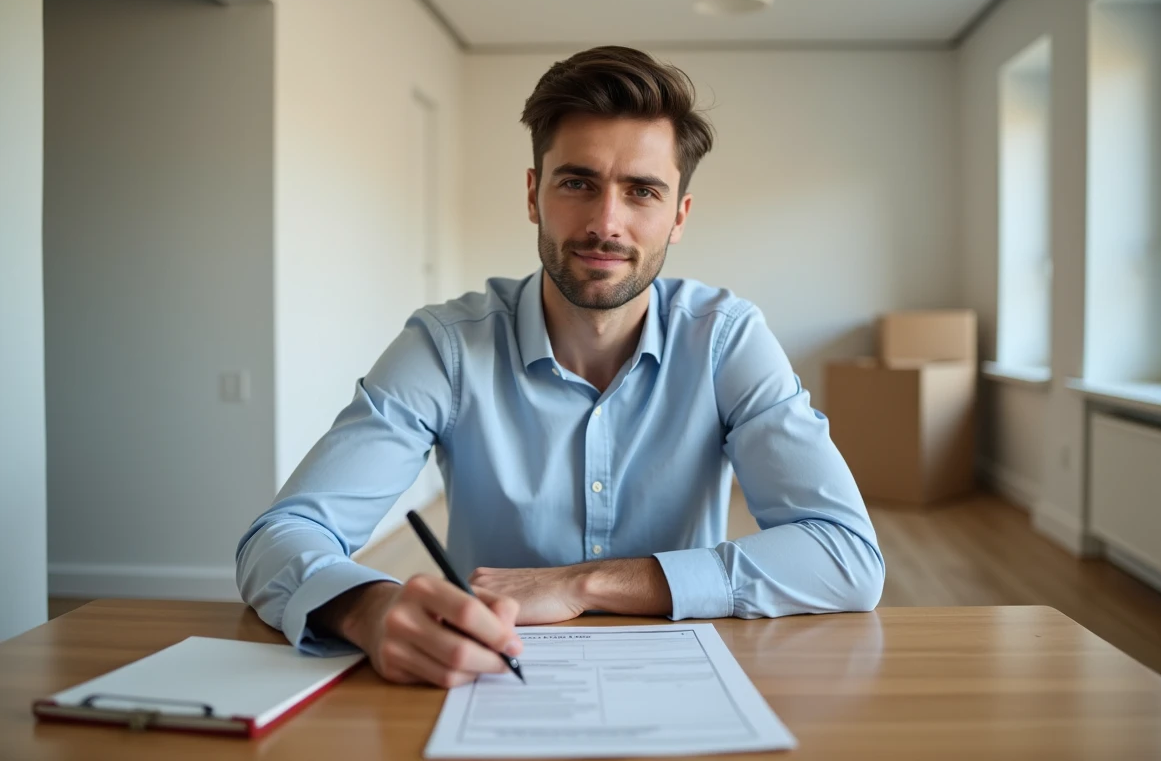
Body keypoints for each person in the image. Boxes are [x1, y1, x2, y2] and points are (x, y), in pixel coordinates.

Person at [236, 45, 884, 689]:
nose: (607, 223)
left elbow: (845, 554)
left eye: (642, 191)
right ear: (533, 194)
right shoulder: (446, 347)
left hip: (677, 676)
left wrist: (583, 584)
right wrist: (368, 609)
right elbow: (281, 537)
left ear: (678, 217)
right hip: (485, 678)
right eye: (578, 183)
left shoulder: (726, 340)